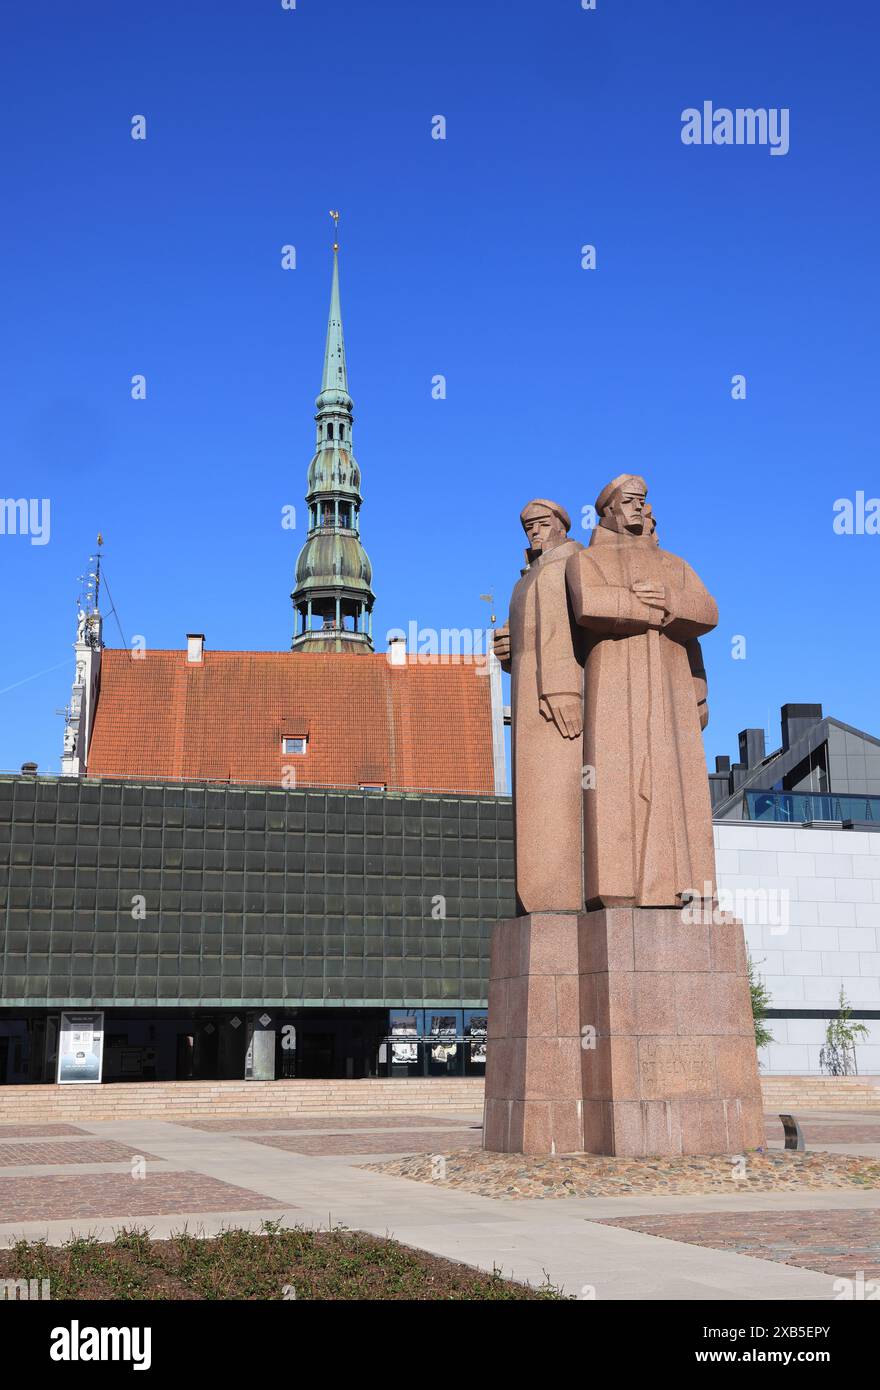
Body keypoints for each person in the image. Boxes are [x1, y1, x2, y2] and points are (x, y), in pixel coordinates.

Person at [565, 475, 717, 907]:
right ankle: (619, 887)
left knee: (675, 777)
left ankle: (682, 883)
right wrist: (647, 610)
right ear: (609, 510)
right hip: (614, 683)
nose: (637, 508)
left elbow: (708, 611)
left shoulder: (674, 565)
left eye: (642, 501)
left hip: (670, 688)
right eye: (628, 501)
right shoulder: (588, 560)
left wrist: (669, 599)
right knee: (616, 781)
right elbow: (589, 605)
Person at [494, 499, 585, 913]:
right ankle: (542, 895)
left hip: (557, 701)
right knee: (536, 799)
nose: (534, 532)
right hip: (530, 697)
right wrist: (511, 651)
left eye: (542, 523)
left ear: (563, 525)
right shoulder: (529, 576)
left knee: (558, 792)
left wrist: (565, 689)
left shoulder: (573, 562)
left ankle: (559, 895)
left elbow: (573, 635)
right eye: (528, 526)